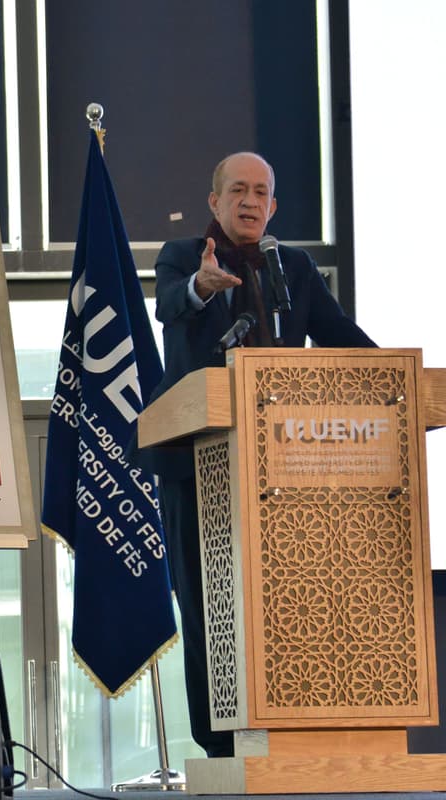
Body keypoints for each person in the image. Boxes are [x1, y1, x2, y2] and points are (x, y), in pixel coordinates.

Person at [149, 152, 376, 758]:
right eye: (238, 190)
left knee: (285, 604)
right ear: (215, 201)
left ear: (273, 206)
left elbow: (342, 338)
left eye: (261, 192)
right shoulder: (182, 254)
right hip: (197, 467)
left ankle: (289, 735)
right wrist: (203, 285)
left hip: (285, 474)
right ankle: (221, 745)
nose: (250, 201)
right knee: (210, 609)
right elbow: (169, 303)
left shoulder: (294, 266)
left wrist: (395, 385)